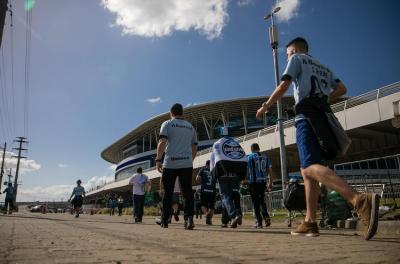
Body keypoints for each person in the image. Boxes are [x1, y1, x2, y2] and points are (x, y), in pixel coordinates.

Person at [256, 37, 379, 239]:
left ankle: (358, 200)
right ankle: (310, 222)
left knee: (308, 167)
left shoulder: (297, 59)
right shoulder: (323, 66)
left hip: (305, 115)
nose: (288, 57)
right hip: (322, 115)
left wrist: (266, 106)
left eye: (287, 54)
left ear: (294, 50)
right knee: (308, 174)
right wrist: (321, 101)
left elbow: (284, 85)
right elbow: (342, 89)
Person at [155, 103, 198, 229]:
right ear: (182, 113)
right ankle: (189, 219)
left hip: (170, 163)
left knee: (168, 193)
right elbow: (195, 145)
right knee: (187, 193)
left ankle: (164, 220)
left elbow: (162, 141)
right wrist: (190, 159)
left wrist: (158, 159)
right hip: (186, 163)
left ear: (171, 113)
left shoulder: (167, 124)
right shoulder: (190, 127)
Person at [210, 127, 247, 228]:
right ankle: (225, 221)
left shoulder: (217, 143)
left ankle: (234, 215)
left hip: (223, 173)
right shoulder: (236, 143)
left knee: (225, 196)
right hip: (235, 174)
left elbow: (213, 159)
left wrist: (213, 174)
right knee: (233, 196)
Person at [247, 143, 273, 228]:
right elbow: (270, 171)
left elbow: (246, 169)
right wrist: (270, 183)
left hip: (254, 182)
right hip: (263, 181)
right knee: (262, 201)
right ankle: (266, 217)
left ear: (251, 149)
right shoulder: (265, 157)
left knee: (255, 202)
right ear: (259, 148)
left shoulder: (250, 157)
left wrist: (243, 179)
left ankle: (259, 222)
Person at [195, 160, 216, 225]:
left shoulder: (202, 170)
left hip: (204, 190)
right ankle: (209, 220)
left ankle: (207, 214)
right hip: (212, 190)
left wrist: (202, 182)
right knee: (211, 207)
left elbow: (197, 179)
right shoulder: (214, 170)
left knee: (203, 205)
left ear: (206, 164)